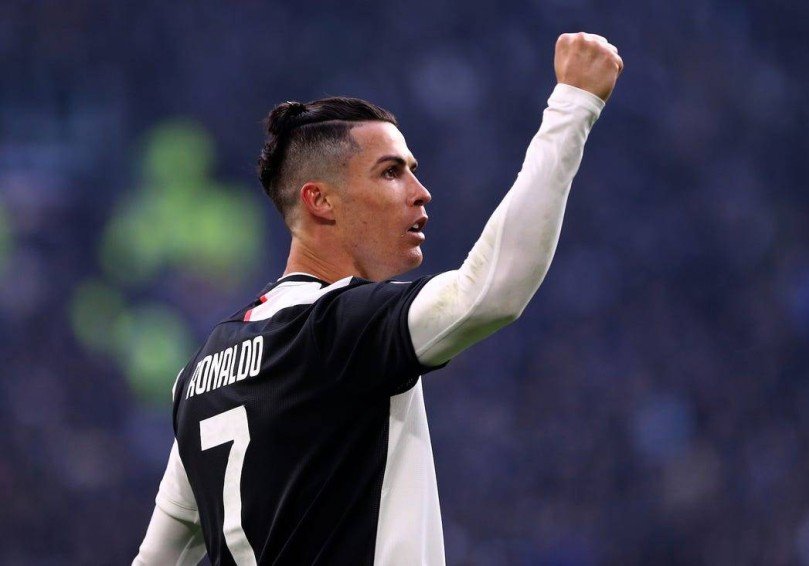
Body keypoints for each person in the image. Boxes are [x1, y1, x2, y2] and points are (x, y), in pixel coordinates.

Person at [133, 32, 623, 565]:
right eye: (391, 172)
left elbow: (158, 559)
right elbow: (489, 292)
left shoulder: (197, 377)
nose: (420, 191)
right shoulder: (337, 326)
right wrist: (572, 105)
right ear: (320, 201)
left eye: (412, 170)